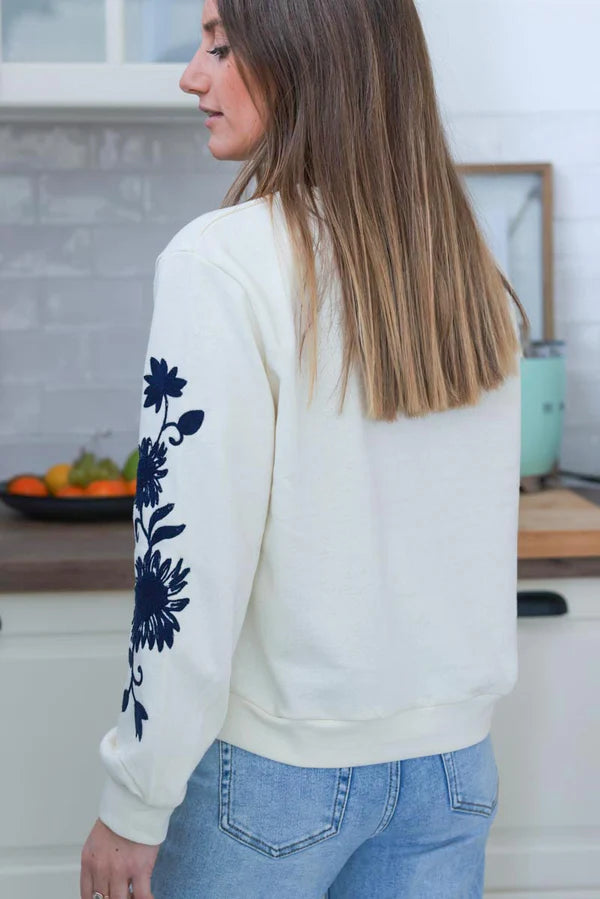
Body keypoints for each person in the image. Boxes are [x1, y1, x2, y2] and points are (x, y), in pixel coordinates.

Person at [80, 0, 531, 896]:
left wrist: (134, 799)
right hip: (451, 773)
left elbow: (186, 568)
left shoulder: (221, 261)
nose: (192, 73)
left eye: (221, 41)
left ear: (304, 53)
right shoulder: (463, 264)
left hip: (273, 784)